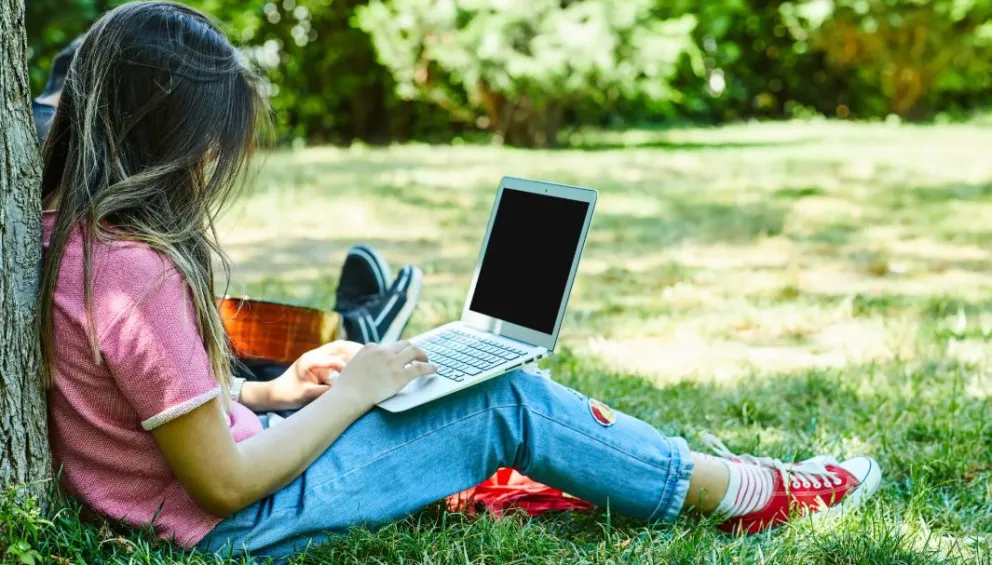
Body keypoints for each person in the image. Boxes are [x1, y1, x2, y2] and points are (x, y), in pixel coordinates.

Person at [38, 2, 883, 562]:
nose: (220, 164)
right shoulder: (137, 274)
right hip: (233, 522)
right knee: (501, 400)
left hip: (202, 491)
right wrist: (355, 392)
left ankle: (558, 468)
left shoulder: (69, 237)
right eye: (216, 146)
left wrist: (274, 393)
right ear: (173, 146)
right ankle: (743, 491)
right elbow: (220, 484)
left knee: (439, 392)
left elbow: (155, 412)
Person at [31, 36, 418, 357]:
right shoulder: (53, 142)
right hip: (117, 323)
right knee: (185, 324)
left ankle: (343, 334)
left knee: (200, 323)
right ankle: (349, 334)